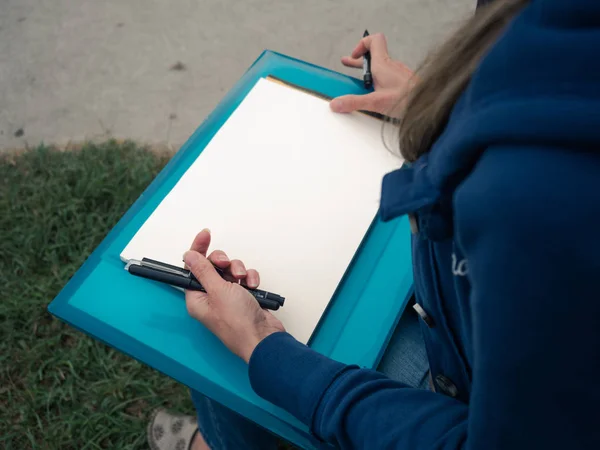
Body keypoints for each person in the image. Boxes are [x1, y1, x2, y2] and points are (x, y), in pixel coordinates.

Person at [148, 0, 600, 448]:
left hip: (463, 396)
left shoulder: (545, 204)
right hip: (464, 335)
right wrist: (435, 107)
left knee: (228, 347)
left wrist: (269, 348)